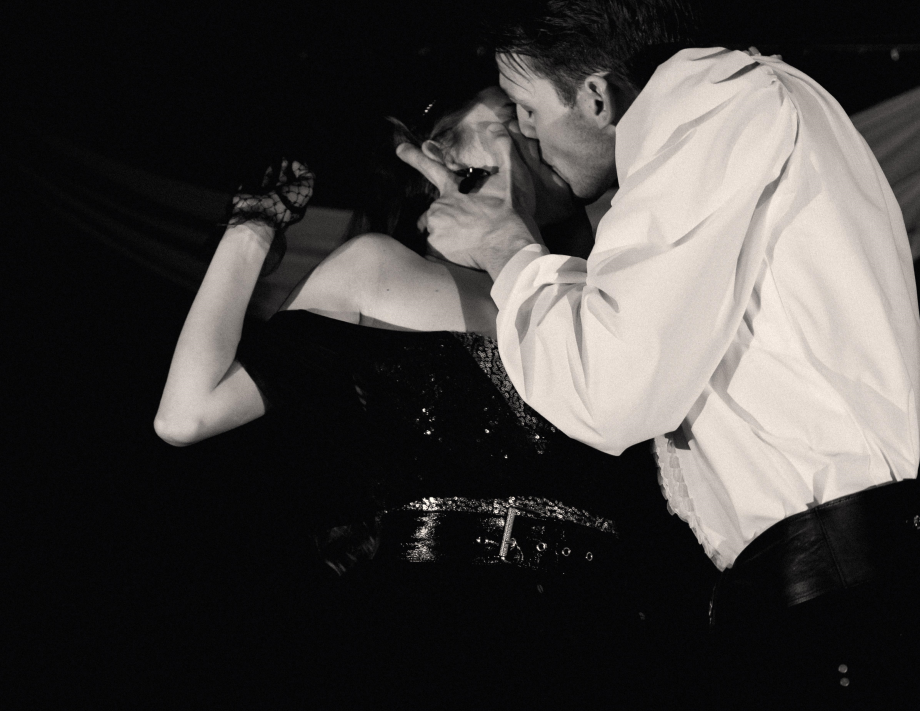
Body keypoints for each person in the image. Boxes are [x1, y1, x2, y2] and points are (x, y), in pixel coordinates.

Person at [399, 0, 920, 709]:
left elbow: (612, 387)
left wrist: (506, 247)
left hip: (844, 625)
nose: (530, 139)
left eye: (528, 111)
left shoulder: (712, 102)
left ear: (596, 97)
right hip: (832, 617)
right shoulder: (743, 111)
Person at [153, 86, 656, 707]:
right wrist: (253, 224)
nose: (533, 129)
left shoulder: (584, 292)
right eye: (512, 114)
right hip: (437, 632)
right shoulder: (378, 268)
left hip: (599, 640)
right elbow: (187, 413)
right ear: (438, 153)